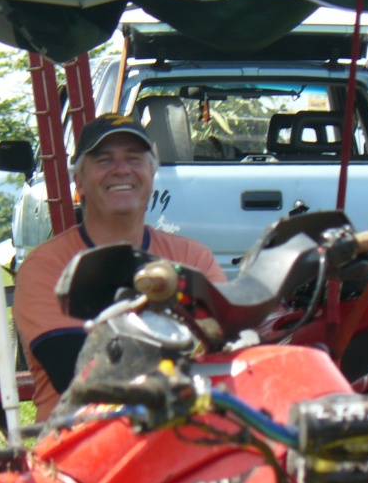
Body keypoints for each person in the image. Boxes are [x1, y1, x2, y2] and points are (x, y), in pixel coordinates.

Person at [13, 112, 226, 422]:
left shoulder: (193, 258)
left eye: (134, 158)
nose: (121, 170)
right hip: (82, 442)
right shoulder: (46, 268)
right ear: (79, 182)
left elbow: (229, 349)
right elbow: (78, 374)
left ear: (152, 175)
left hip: (187, 435)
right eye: (104, 160)